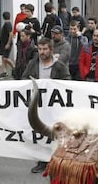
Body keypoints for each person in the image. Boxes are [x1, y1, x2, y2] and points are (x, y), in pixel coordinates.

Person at [22, 38, 70, 173]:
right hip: (39, 107)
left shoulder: (59, 66)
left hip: (55, 108)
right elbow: (24, 79)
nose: (42, 52)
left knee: (55, 133)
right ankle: (42, 161)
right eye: (40, 49)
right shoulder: (33, 64)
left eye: (45, 49)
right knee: (41, 134)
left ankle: (57, 161)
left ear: (51, 50)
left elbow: (67, 82)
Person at [0, 11, 15, 79]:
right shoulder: (6, 24)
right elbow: (3, 35)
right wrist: (0, 43)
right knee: (3, 58)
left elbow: (11, 34)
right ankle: (4, 72)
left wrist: (8, 43)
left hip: (6, 44)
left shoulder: (8, 24)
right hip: (3, 43)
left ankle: (14, 67)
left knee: (5, 58)